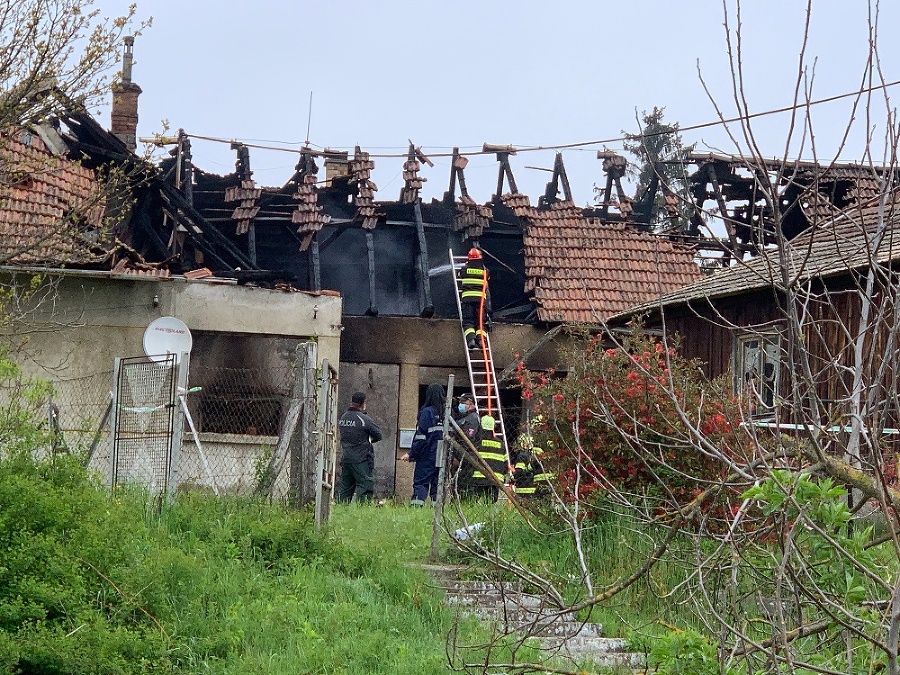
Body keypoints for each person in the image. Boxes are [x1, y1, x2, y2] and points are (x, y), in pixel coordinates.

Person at [402, 383, 446, 506]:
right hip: (442, 455)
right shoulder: (447, 413)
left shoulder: (427, 412)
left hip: (427, 455)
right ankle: (437, 511)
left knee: (421, 483)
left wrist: (411, 453)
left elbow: (421, 437)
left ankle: (416, 507)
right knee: (438, 485)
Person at [337, 391, 383, 503]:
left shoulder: (343, 418)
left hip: (346, 458)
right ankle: (363, 509)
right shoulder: (364, 419)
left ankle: (341, 508)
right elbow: (378, 435)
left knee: (346, 487)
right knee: (365, 485)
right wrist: (368, 440)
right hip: (361, 459)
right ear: (363, 403)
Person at [458, 246, 491, 350]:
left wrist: (466, 266)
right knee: (480, 322)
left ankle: (471, 340)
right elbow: (488, 279)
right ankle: (481, 341)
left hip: (467, 300)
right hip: (480, 301)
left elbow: (459, 275)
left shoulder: (464, 270)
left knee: (468, 321)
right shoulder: (485, 271)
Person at [469, 414, 508, 502]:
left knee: (473, 501)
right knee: (490, 502)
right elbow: (505, 464)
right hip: (495, 479)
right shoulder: (500, 444)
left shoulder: (477, 442)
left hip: (478, 478)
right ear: (493, 427)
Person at [450, 392, 480, 495]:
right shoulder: (464, 418)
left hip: (466, 459)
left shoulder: (472, 419)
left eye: (463, 402)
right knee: (457, 485)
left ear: (470, 403)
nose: (460, 404)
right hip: (460, 458)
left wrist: (459, 457)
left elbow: (468, 441)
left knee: (464, 486)